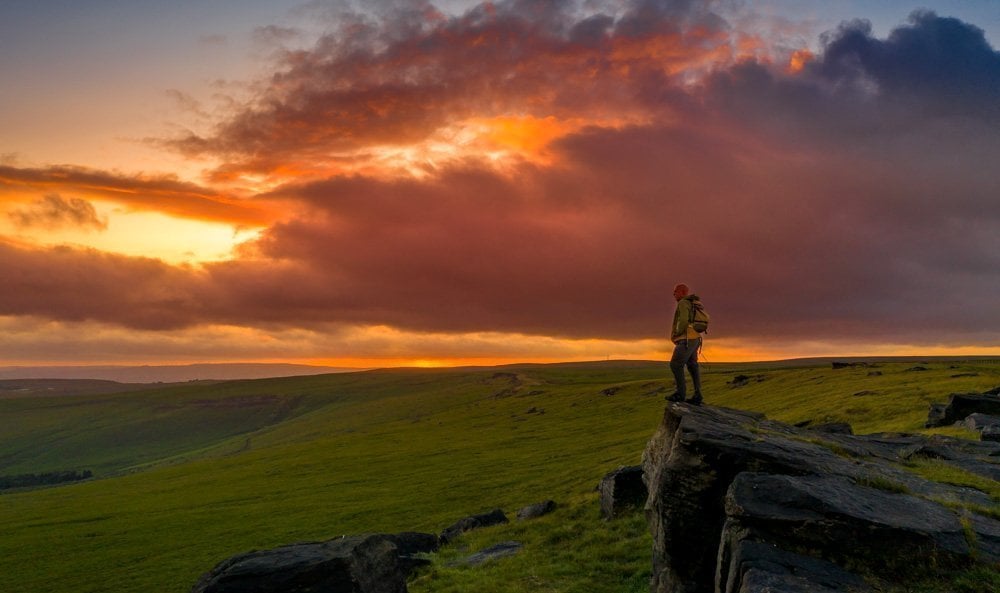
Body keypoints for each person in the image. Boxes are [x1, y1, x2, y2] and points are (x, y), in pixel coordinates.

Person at [666, 283, 703, 405]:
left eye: (675, 291)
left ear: (682, 292)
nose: (673, 294)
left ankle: (680, 394)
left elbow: (683, 320)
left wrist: (677, 334)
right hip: (696, 338)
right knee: (693, 366)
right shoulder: (693, 303)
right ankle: (698, 395)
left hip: (687, 338)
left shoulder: (683, 303)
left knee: (675, 364)